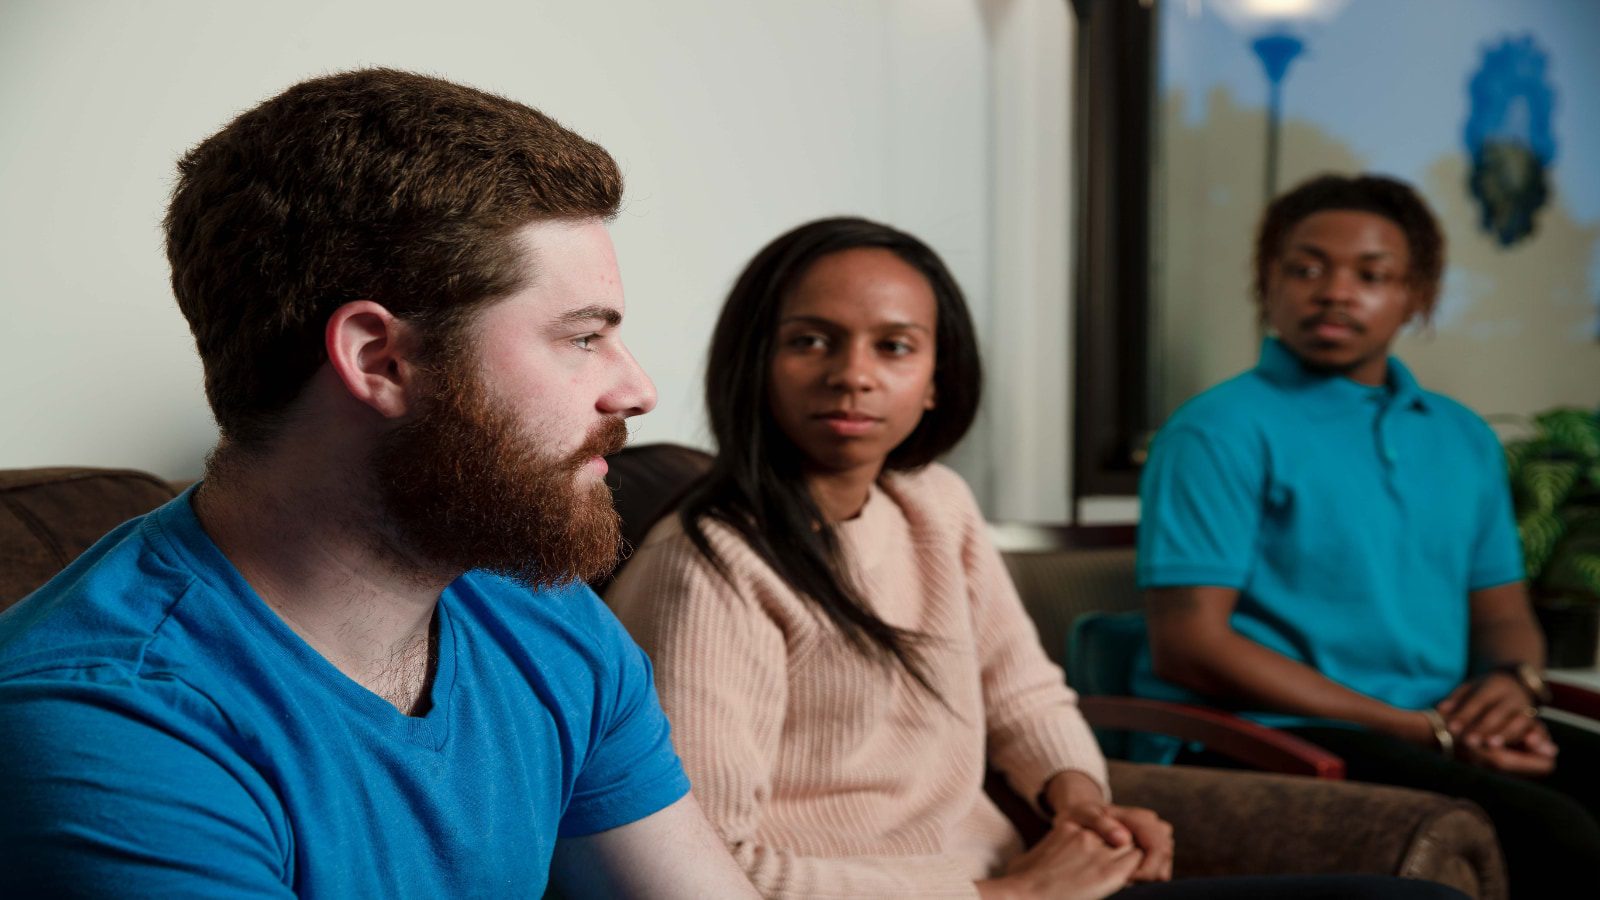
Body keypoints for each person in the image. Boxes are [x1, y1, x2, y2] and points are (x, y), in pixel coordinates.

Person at [0, 68, 757, 898]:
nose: (637, 389)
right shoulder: (108, 728)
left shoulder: (543, 614)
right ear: (378, 359)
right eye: (581, 339)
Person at [606, 216, 1467, 900]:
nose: (853, 375)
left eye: (895, 346)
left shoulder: (933, 504)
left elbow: (1021, 689)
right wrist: (1006, 894)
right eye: (811, 341)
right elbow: (707, 872)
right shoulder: (711, 567)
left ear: (938, 377)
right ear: (755, 362)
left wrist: (1080, 802)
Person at [1133, 173, 1600, 897]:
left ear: (1417, 295)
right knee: (1559, 835)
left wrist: (1510, 686)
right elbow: (1191, 645)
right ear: (1270, 282)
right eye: (1306, 268)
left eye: (1372, 275)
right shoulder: (1217, 430)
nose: (1336, 292)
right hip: (1269, 733)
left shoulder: (1461, 437)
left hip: (1432, 725)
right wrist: (1419, 731)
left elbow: (1504, 613)